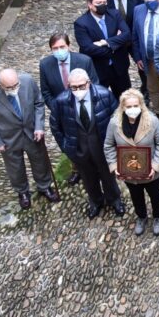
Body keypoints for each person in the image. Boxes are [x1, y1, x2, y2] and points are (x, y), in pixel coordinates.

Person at [50, 68, 125, 219]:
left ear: (89, 83)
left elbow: (117, 120)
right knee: (88, 178)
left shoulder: (104, 95)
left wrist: (115, 145)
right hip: (79, 149)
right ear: (68, 85)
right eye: (74, 87)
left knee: (108, 176)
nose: (78, 90)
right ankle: (96, 201)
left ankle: (114, 199)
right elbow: (55, 126)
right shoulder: (61, 102)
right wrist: (66, 147)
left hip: (102, 146)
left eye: (81, 86)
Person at [0, 69, 59, 210]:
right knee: (15, 168)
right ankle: (22, 192)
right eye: (9, 88)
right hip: (8, 139)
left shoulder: (27, 81)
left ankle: (44, 186)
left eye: (16, 85)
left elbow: (38, 103)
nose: (14, 89)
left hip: (32, 133)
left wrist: (39, 126)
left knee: (40, 161)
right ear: (0, 86)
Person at [103, 89, 159, 236]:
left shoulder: (152, 121)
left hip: (151, 171)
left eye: (135, 105)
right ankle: (141, 217)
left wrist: (155, 166)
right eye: (128, 106)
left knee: (155, 194)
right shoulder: (114, 123)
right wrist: (114, 166)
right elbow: (108, 145)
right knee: (136, 196)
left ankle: (158, 217)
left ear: (141, 105)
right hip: (129, 173)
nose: (132, 109)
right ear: (122, 107)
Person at [39, 32, 99, 186]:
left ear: (69, 46)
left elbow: (95, 84)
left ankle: (97, 166)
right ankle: (77, 169)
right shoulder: (45, 65)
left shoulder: (84, 60)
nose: (59, 50)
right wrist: (57, 109)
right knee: (72, 142)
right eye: (55, 48)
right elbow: (45, 91)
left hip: (85, 108)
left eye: (62, 47)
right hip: (64, 113)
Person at [74, 0, 132, 99]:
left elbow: (127, 34)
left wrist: (106, 43)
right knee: (100, 101)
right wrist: (115, 46)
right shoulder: (81, 23)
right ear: (90, 5)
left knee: (125, 99)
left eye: (104, 3)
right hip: (98, 70)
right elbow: (88, 48)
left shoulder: (114, 14)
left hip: (119, 67)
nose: (102, 5)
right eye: (98, 3)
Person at [105, 0, 147, 99]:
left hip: (135, 38)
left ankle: (146, 90)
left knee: (143, 66)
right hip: (116, 40)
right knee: (119, 70)